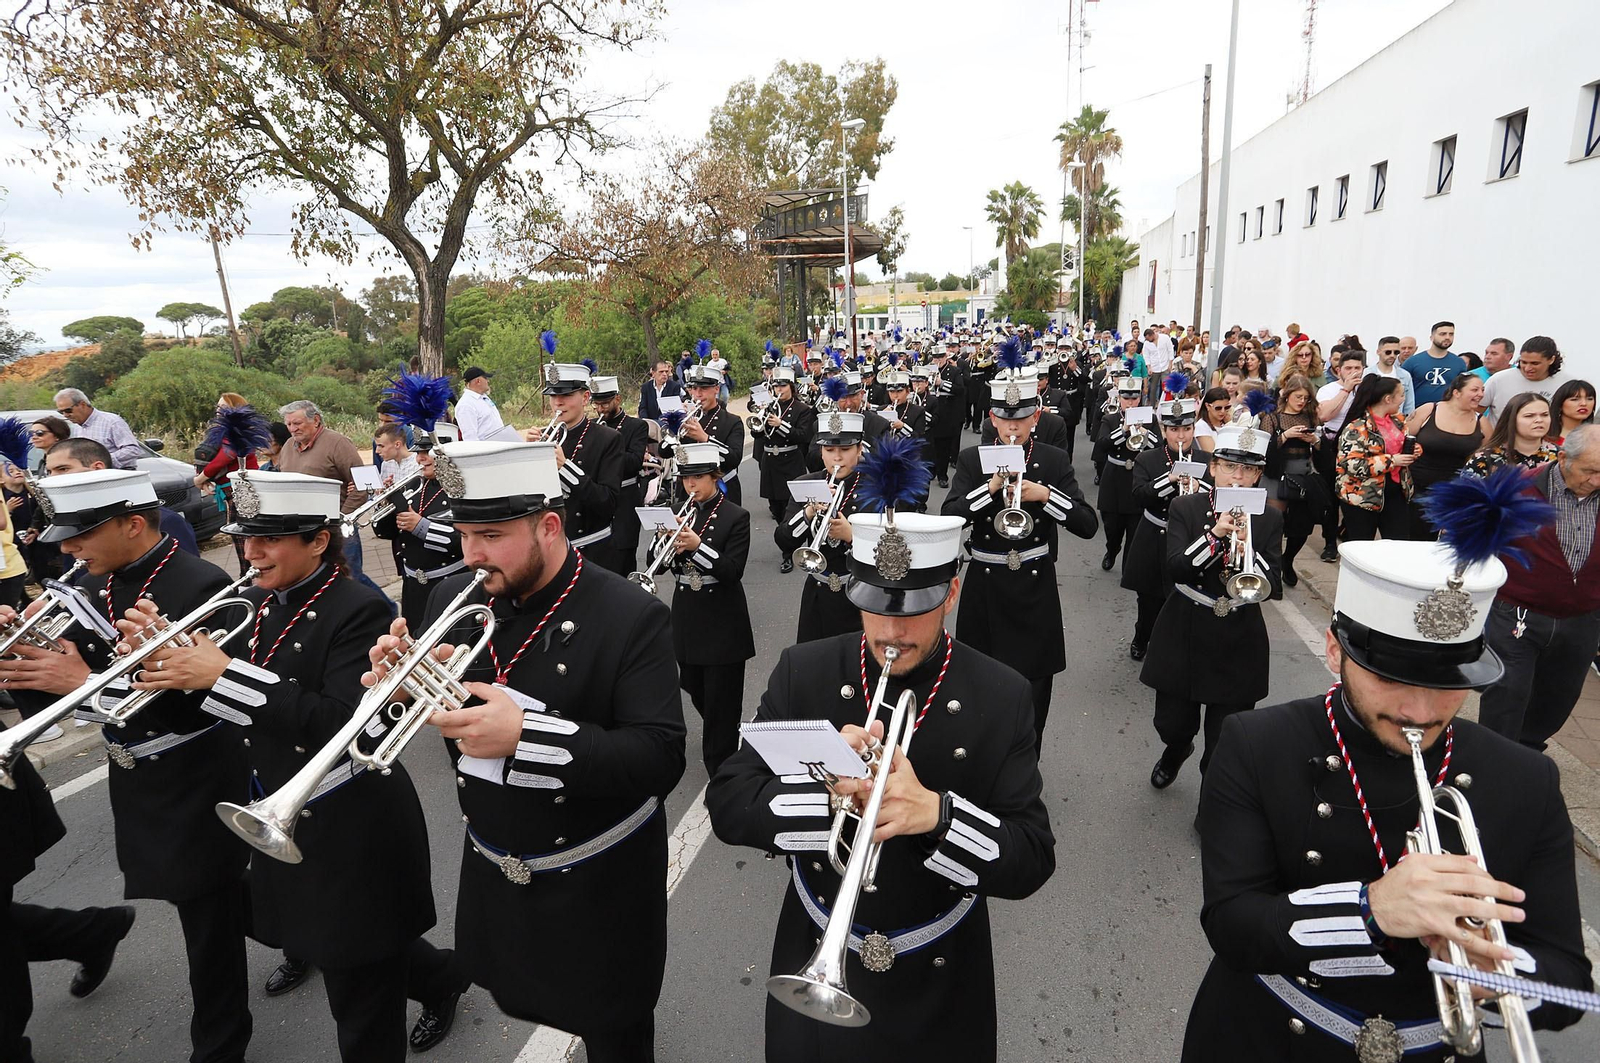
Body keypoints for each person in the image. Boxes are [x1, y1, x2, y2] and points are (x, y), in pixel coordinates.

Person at [1180, 530, 1593, 1061]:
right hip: (1271, 1036)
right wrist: (1369, 910)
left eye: (1448, 682)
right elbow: (1232, 925)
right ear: (1336, 650)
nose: (1420, 712)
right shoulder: (1258, 744)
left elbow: (1568, 985)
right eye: (1391, 677)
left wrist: (1496, 970)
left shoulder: (1528, 778)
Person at [368, 439, 686, 1063]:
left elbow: (659, 759)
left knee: (614, 1029)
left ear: (548, 525)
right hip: (497, 859)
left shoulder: (630, 614)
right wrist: (406, 687)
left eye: (490, 534)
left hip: (597, 879)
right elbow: (455, 725)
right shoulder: (452, 598)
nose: (471, 555)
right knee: (517, 988)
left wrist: (530, 736)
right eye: (462, 534)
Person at [124, 469, 460, 1058]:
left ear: (318, 540)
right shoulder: (253, 601)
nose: (249, 553)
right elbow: (221, 700)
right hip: (279, 804)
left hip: (352, 818)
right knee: (344, 950)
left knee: (359, 1000)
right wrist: (161, 661)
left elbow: (338, 721)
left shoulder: (359, 608)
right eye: (244, 538)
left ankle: (427, 981)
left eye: (269, 539)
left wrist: (224, 674)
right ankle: (438, 978)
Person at [706, 508, 1055, 1063]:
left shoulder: (1001, 694)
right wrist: (826, 797)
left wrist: (938, 817)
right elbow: (727, 801)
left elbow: (1032, 858)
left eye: (915, 610)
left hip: (938, 969)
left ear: (952, 592)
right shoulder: (806, 670)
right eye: (874, 606)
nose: (892, 631)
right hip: (816, 946)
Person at [0, 467, 254, 1063]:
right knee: (228, 904)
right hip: (138, 778)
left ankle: (220, 1047)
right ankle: (413, 970)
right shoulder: (95, 583)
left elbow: (211, 701)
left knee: (207, 919)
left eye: (79, 534)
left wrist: (87, 683)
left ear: (132, 524)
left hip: (197, 772)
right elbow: (69, 707)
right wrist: (25, 659)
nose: (65, 547)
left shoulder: (200, 584)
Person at [943, 372, 1099, 749]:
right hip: (985, 587)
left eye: (1021, 419)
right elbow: (950, 516)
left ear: (1035, 417)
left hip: (1034, 590)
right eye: (1005, 419)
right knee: (979, 690)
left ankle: (1026, 767)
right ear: (993, 419)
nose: (1013, 427)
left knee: (1034, 694)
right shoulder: (971, 459)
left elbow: (1088, 525)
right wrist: (990, 488)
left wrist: (1045, 495)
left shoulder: (1053, 459)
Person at [1143, 423, 1283, 792]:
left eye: (1249, 470)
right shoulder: (1185, 507)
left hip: (1239, 633)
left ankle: (1211, 807)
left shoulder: (1269, 517)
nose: (1239, 477)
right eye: (1231, 467)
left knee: (1224, 739)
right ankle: (1176, 749)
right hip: (1185, 625)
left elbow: (1273, 586)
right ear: (1214, 467)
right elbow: (1175, 568)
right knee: (1171, 723)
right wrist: (1216, 535)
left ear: (1258, 474)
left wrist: (1246, 545)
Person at [1476, 428, 1600, 749]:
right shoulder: (1516, 489)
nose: (1596, 480)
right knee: (1507, 693)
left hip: (1582, 619)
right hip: (1516, 613)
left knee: (1557, 699)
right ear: (1563, 458)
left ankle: (1527, 756)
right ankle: (1493, 759)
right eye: (1589, 470)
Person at [655, 441, 753, 776]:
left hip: (723, 620)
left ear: (715, 475)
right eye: (685, 478)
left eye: (697, 477)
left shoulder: (735, 516)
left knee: (721, 701)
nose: (690, 485)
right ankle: (721, 728)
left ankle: (722, 771)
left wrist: (697, 547)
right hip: (686, 615)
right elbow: (661, 566)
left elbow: (731, 571)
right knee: (694, 686)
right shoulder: (683, 510)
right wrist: (661, 541)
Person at [275, 399, 387, 601]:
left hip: (337, 528)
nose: (292, 429)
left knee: (351, 579)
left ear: (316, 420)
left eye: (297, 423)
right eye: (289, 424)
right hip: (302, 530)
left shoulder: (338, 443)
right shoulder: (288, 447)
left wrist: (342, 519)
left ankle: (385, 610)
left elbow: (362, 484)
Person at [776, 411, 871, 643]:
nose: (836, 458)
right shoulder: (806, 484)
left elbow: (890, 552)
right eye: (829, 451)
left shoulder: (877, 487)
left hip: (861, 594)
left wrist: (852, 536)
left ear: (859, 450)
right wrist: (808, 512)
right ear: (821, 451)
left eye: (845, 450)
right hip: (817, 592)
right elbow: (784, 539)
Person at [1123, 394, 1202, 659]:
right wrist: (1169, 480)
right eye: (1174, 429)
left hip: (1190, 538)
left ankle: (1173, 645)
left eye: (1187, 429)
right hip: (1155, 534)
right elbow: (1139, 495)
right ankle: (1142, 636)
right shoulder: (1148, 459)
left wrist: (1199, 489)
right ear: (1163, 430)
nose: (1181, 436)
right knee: (1149, 599)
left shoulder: (1207, 459)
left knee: (1184, 598)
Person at [530, 361, 625, 573]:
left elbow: (607, 503)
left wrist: (565, 469)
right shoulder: (543, 437)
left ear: (585, 398)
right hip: (550, 550)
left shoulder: (608, 438)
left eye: (566, 396)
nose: (558, 403)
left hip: (591, 551)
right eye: (553, 396)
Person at [40, 438, 198, 556]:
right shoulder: (71, 521)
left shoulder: (164, 520)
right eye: (49, 472)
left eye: (62, 469)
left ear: (97, 468)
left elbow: (189, 578)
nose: (52, 478)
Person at [372, 435, 463, 630]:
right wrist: (384, 502)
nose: (421, 458)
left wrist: (421, 526)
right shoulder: (413, 486)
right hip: (413, 585)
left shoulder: (460, 490)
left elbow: (462, 542)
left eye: (427, 453)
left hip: (447, 583)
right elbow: (384, 532)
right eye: (419, 453)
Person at [1335, 375, 1418, 543]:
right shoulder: (1357, 427)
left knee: (1399, 545)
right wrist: (1393, 461)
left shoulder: (1398, 422)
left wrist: (1415, 450)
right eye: (1401, 395)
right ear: (1388, 399)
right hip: (1362, 497)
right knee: (1361, 548)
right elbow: (1351, 464)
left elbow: (1402, 445)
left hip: (1396, 493)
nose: (1403, 399)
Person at [1404, 373, 1486, 539]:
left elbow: (1488, 456)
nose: (1481, 394)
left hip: (1453, 494)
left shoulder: (1481, 421)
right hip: (1417, 488)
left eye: (1482, 390)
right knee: (1412, 539)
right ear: (1456, 392)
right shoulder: (1429, 410)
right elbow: (1403, 439)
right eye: (1475, 389)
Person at [1260, 375, 1322, 585]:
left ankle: (1288, 559)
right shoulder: (1272, 418)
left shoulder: (1310, 417)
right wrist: (1285, 436)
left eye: (1305, 398)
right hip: (1277, 474)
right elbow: (1264, 449)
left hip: (1302, 474)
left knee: (1302, 525)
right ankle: (1274, 569)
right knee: (1275, 523)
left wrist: (1313, 440)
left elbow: (1322, 452)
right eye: (1298, 396)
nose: (1302, 401)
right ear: (1287, 396)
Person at [195, 394, 266, 572]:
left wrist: (201, 478)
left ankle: (249, 576)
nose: (219, 410)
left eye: (223, 407)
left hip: (241, 489)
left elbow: (226, 456)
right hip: (233, 488)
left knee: (243, 535)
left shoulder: (236, 428)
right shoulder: (229, 429)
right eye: (217, 406)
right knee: (240, 535)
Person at [591, 373, 650, 574]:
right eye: (596, 405)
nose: (600, 410)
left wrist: (604, 448)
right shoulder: (591, 426)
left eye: (605, 404)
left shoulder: (636, 426)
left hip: (625, 501)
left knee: (623, 560)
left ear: (617, 399)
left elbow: (634, 462)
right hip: (599, 499)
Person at [753, 368, 817, 550]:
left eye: (783, 385)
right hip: (770, 462)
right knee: (775, 507)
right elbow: (756, 434)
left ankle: (788, 549)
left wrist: (781, 425)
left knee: (789, 506)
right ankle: (785, 537)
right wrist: (760, 421)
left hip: (791, 462)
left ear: (791, 386)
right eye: (775, 385)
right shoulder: (769, 406)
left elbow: (803, 436)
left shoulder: (802, 409)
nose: (778, 389)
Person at [1316, 350, 1369, 559]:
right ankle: (1329, 543)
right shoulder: (1329, 390)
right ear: (1338, 370)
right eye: (1349, 368)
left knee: (1354, 496)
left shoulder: (1368, 389)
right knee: (1330, 498)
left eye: (1357, 368)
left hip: (1360, 449)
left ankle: (1348, 536)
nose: (1353, 372)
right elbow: (1324, 415)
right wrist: (1346, 390)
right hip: (1331, 446)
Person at [1092, 377, 1149, 570]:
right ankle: (1112, 549)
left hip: (1138, 478)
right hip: (1114, 477)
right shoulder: (1111, 418)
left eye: (1134, 399)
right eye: (1126, 399)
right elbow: (1101, 445)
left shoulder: (1150, 419)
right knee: (1112, 527)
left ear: (1140, 398)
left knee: (1134, 528)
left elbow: (1159, 447)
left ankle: (1128, 568)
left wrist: (1144, 433)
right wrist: (1123, 431)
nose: (1131, 403)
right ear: (1120, 398)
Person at [676, 361, 745, 505]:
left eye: (704, 388)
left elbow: (734, 459)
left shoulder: (732, 421)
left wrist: (705, 439)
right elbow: (663, 451)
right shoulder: (686, 418)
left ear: (716, 389)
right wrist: (674, 422)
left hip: (722, 488)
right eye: (694, 388)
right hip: (689, 489)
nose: (698, 394)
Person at [1465, 392, 1560, 478]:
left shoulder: (1561, 456)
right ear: (1512, 419)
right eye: (1529, 416)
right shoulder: (1485, 458)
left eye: (1545, 415)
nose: (1539, 420)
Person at [1480, 335, 1562, 427]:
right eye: (1524, 362)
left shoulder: (1565, 383)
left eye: (1535, 363)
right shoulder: (1498, 379)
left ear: (1551, 359)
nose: (1527, 368)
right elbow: (1475, 413)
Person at [52, 388, 143, 468]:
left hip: (118, 476)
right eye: (61, 412)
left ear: (82, 404)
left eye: (68, 410)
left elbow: (133, 450)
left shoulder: (112, 422)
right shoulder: (76, 427)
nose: (66, 415)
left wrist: (103, 460)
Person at [1400, 320, 1464, 407]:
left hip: (1447, 413)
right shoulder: (1412, 362)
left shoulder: (1459, 363)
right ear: (1431, 337)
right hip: (1418, 413)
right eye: (1443, 334)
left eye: (1451, 334)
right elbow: (1400, 389)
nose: (1447, 337)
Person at [1362, 335, 1417, 414]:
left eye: (1396, 352)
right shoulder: (1367, 373)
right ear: (1378, 352)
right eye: (1388, 352)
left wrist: (1406, 422)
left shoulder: (1405, 375)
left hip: (1397, 421)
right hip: (1372, 421)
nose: (1392, 355)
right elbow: (1362, 401)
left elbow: (1409, 405)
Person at [455, 366, 506, 441]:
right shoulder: (466, 405)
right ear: (478, 381)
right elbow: (470, 438)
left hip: (500, 445)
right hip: (488, 450)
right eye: (485, 378)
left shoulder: (483, 398)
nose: (487, 381)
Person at [1547, 378, 1595, 446]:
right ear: (1560, 404)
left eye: (1589, 399)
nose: (1584, 403)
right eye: (1574, 399)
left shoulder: (1596, 436)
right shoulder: (1543, 436)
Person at [1193, 386, 1230, 453]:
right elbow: (1212, 453)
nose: (1223, 411)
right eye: (1218, 408)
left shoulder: (1227, 423)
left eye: (1227, 407)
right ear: (1207, 406)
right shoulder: (1201, 426)